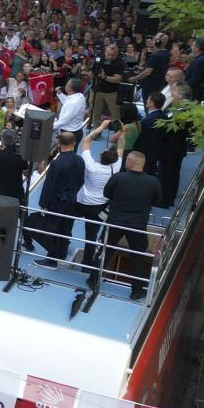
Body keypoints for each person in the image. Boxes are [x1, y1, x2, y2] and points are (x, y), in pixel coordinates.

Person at [88, 151, 161, 299]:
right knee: (138, 257)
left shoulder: (118, 177)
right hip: (138, 225)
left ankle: (93, 279)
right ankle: (137, 291)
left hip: (114, 222)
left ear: (130, 163)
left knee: (105, 251)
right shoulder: (153, 182)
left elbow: (107, 193)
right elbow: (157, 201)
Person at [76, 120, 123, 269]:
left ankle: (58, 251)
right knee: (91, 236)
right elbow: (121, 146)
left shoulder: (91, 165)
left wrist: (101, 127)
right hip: (99, 208)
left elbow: (86, 140)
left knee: (65, 223)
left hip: (81, 202)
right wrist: (121, 130)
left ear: (101, 156)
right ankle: (87, 263)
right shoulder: (115, 168)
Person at [36, 129, 85, 267]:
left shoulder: (57, 163)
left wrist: (43, 204)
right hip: (72, 200)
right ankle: (62, 253)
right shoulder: (80, 160)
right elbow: (81, 181)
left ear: (59, 143)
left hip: (57, 202)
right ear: (74, 143)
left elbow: (49, 186)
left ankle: (52, 259)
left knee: (54, 229)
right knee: (66, 227)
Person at [90, 43, 126, 126]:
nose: (110, 57)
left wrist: (104, 77)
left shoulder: (120, 62)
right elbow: (92, 73)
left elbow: (117, 79)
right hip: (97, 90)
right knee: (96, 113)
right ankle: (96, 133)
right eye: (108, 54)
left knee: (115, 114)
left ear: (117, 54)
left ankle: (117, 135)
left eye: (112, 55)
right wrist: (92, 74)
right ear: (105, 52)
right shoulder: (99, 59)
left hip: (112, 92)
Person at [0, 128, 29, 200]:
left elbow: (3, 150)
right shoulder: (20, 157)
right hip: (16, 193)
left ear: (3, 140)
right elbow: (26, 173)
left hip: (1, 191)